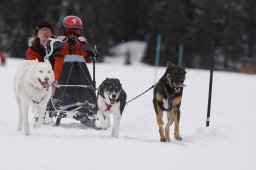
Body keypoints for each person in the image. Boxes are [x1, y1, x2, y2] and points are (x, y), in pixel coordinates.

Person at [54, 15, 96, 81]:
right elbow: (50, 54)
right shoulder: (59, 44)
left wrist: (85, 46)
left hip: (78, 81)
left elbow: (89, 60)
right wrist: (57, 43)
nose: (72, 35)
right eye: (69, 31)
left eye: (75, 32)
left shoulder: (80, 45)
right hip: (60, 81)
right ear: (64, 31)